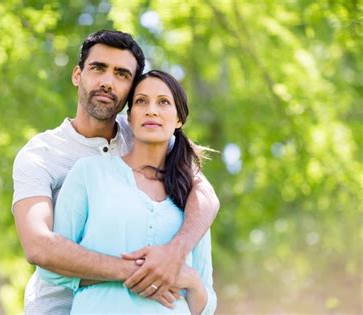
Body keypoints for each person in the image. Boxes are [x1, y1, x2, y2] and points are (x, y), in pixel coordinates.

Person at [12, 30, 220, 314]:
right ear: (77, 75)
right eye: (98, 68)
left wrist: (175, 253)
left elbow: (205, 195)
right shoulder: (43, 154)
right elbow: (38, 246)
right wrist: (142, 272)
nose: (107, 82)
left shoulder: (147, 133)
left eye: (121, 74)